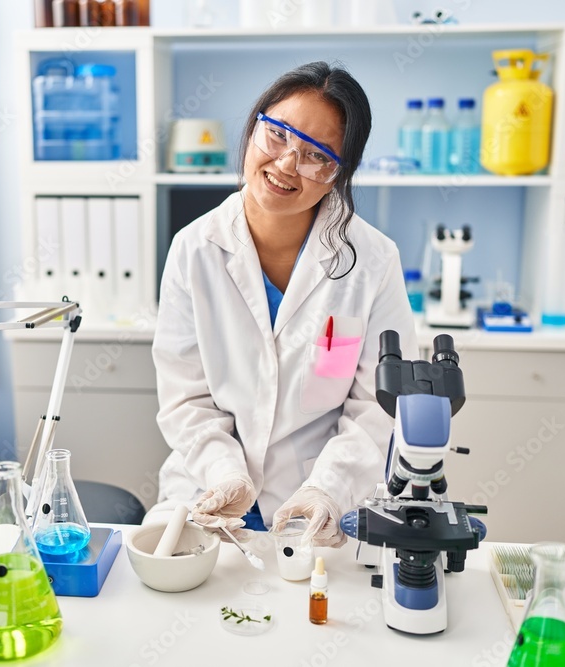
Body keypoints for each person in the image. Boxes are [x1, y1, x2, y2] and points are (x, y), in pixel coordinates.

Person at [146, 61, 418, 548]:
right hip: (205, 488)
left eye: (318, 156)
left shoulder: (373, 261)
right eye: (277, 135)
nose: (288, 164)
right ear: (253, 129)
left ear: (339, 174)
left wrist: (327, 490)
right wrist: (223, 471)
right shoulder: (194, 249)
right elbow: (185, 397)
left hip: (316, 502)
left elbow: (378, 408)